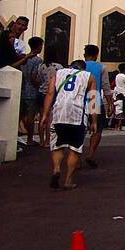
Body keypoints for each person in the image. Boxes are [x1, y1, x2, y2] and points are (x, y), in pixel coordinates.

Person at [40, 56, 93, 190]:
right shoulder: (89, 76)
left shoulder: (58, 74)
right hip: (78, 114)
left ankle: (57, 169)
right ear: (83, 68)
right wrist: (95, 121)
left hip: (59, 113)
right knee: (74, 148)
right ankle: (68, 180)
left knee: (58, 145)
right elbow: (93, 99)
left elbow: (50, 93)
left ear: (71, 66)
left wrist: (45, 114)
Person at [82, 44, 112, 169]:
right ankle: (90, 154)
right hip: (94, 99)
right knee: (98, 129)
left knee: (80, 130)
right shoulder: (101, 67)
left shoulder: (78, 66)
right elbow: (106, 87)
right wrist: (110, 103)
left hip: (80, 100)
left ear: (85, 55)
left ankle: (76, 157)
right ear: (96, 55)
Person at [20, 37, 48, 144]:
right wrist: (39, 85)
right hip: (32, 91)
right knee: (31, 116)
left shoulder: (24, 58)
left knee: (22, 115)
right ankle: (30, 139)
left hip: (23, 89)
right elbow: (34, 77)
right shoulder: (38, 61)